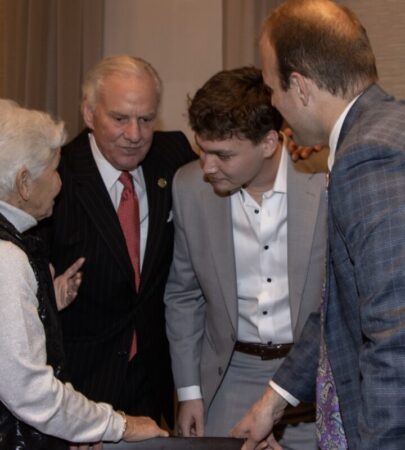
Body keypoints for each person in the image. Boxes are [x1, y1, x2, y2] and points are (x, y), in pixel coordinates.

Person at [231, 1, 405, 449]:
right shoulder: (389, 127)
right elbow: (340, 310)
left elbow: (395, 339)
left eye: (272, 89)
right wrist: (272, 401)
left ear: (301, 88)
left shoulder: (368, 158)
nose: (273, 103)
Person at [164, 66, 328, 450]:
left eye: (222, 154)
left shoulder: (324, 183)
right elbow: (183, 296)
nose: (206, 166)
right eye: (201, 149)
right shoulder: (189, 188)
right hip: (229, 376)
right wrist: (189, 391)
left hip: (314, 378)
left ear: (269, 143)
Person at [36, 55, 197, 430]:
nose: (135, 134)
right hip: (78, 388)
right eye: (120, 118)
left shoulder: (174, 157)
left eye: (146, 119)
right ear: (89, 114)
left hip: (154, 383)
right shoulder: (57, 177)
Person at [0, 99, 168, 449]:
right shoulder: (7, 259)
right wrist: (116, 425)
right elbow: (30, 392)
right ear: (24, 182)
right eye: (54, 170)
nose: (60, 184)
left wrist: (45, 306)